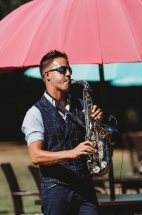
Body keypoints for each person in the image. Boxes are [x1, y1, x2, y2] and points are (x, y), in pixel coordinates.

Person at [21, 50, 103, 215]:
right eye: (62, 70)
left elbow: (95, 137)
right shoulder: (34, 113)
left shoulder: (81, 104)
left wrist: (98, 123)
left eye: (69, 70)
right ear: (47, 75)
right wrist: (72, 153)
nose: (68, 74)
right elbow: (36, 156)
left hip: (84, 187)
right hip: (56, 191)